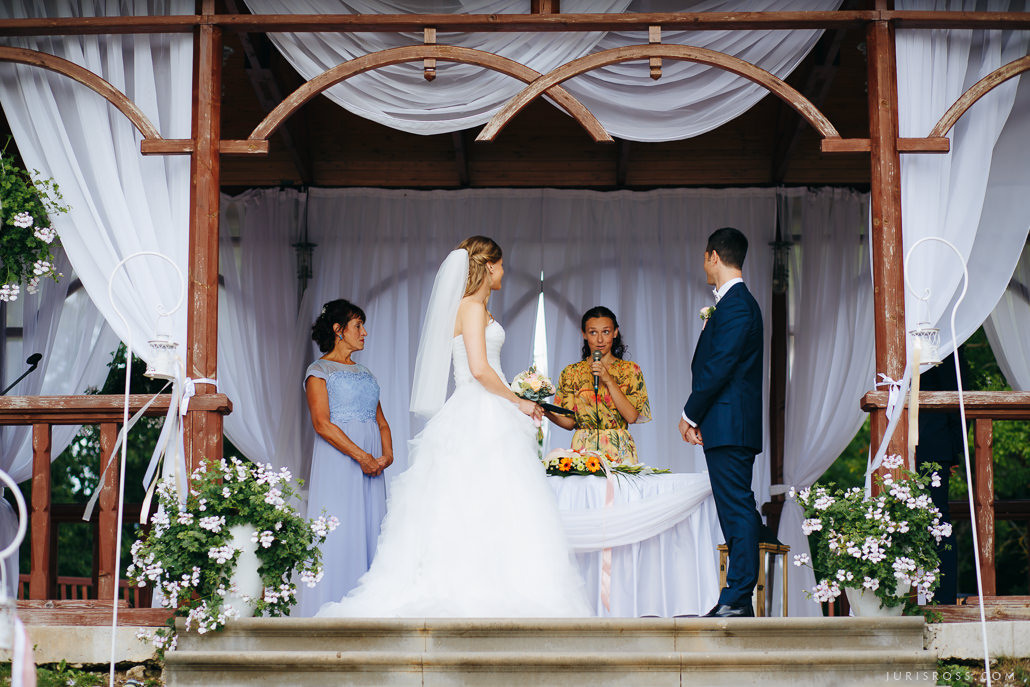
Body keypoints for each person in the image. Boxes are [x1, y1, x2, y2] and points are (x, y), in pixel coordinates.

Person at [317, 236, 592, 618]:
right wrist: (519, 400)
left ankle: (490, 584)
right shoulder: (473, 307)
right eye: (501, 264)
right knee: (490, 498)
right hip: (482, 407)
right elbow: (479, 369)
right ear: (489, 266)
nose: (504, 272)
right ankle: (490, 589)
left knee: (479, 499)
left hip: (482, 405)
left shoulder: (469, 307)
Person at [678, 227, 764, 618]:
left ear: (713, 256)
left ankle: (738, 597)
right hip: (725, 423)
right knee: (734, 508)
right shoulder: (732, 304)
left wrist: (689, 413)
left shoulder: (737, 305)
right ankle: (736, 596)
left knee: (738, 508)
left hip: (731, 424)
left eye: (704, 256)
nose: (704, 263)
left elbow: (718, 367)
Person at [299, 299, 393, 616]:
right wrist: (363, 456)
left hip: (372, 468)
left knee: (371, 528)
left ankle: (366, 608)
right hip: (339, 462)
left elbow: (381, 421)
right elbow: (322, 423)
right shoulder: (319, 372)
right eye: (358, 326)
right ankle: (330, 608)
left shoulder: (366, 373)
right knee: (340, 531)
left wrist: (386, 456)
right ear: (338, 330)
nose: (364, 332)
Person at [546, 306, 651, 465]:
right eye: (593, 332)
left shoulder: (630, 370)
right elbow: (569, 422)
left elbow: (631, 416)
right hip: (583, 448)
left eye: (606, 332)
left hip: (619, 448)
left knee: (618, 490)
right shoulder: (571, 372)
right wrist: (545, 411)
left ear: (615, 332)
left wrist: (608, 379)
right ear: (584, 334)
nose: (600, 340)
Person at [915, 352, 966, 605]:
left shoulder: (946, 340)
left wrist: (954, 449)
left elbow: (956, 390)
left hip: (933, 439)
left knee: (937, 521)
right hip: (899, 433)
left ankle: (942, 599)